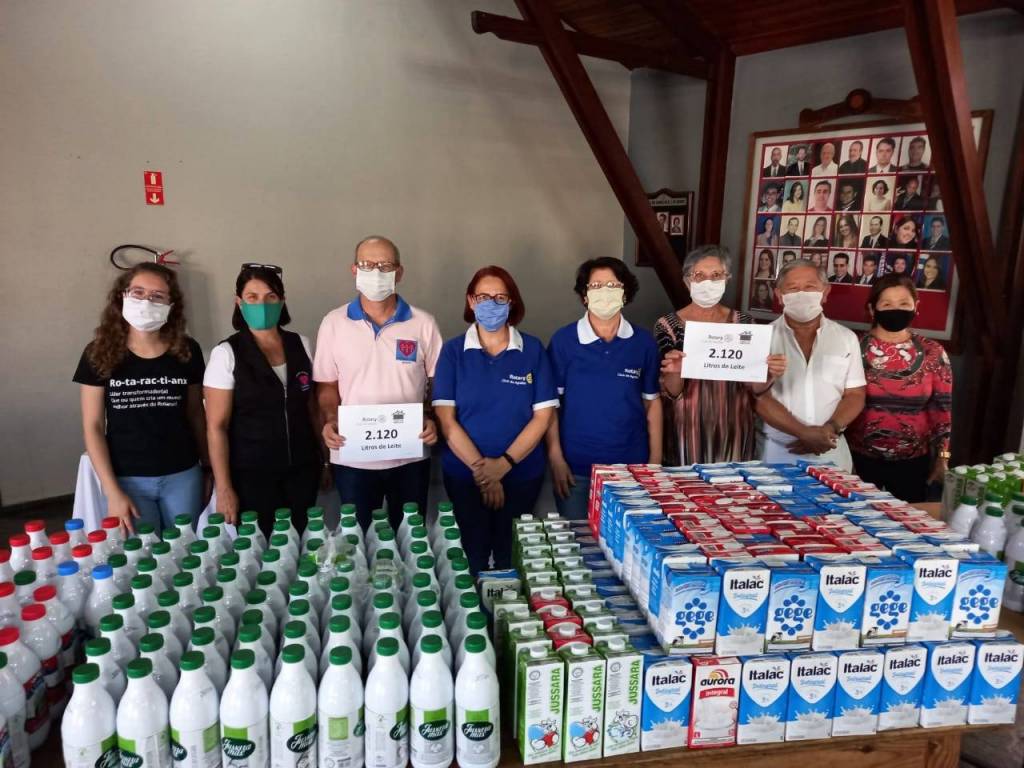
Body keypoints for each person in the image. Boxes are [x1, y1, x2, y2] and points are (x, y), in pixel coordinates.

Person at [433, 266, 557, 573]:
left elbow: (542, 417)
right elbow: (447, 421)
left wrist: (503, 465)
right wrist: (484, 472)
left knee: (511, 556)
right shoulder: (452, 352)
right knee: (470, 555)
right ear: (471, 301)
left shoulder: (532, 350)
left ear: (512, 302)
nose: (492, 304)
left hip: (522, 474)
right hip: (465, 475)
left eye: (501, 297)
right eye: (484, 297)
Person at [315, 236, 442, 530]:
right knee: (357, 540)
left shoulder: (423, 323)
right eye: (367, 264)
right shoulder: (333, 323)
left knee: (410, 538)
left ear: (399, 272)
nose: (375, 272)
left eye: (384, 265)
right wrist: (331, 419)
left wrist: (431, 418)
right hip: (353, 457)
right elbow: (326, 386)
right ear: (354, 270)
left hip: (410, 454)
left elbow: (438, 383)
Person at [74, 263, 209, 535]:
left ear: (171, 305)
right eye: (138, 292)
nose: (147, 301)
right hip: (127, 478)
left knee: (187, 551)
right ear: (122, 296)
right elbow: (93, 426)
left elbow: (196, 414)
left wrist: (208, 468)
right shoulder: (98, 353)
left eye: (158, 296)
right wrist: (112, 491)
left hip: (183, 473)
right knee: (143, 555)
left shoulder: (187, 350)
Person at [204, 264, 323, 536]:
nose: (262, 304)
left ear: (282, 301)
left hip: (303, 469)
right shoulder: (227, 353)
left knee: (304, 543)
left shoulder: (301, 344)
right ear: (239, 302)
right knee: (261, 549)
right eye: (253, 297)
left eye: (270, 297)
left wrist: (325, 461)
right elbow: (216, 427)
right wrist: (224, 488)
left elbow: (312, 407)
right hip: (251, 475)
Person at [546, 259, 662, 519]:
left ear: (625, 293)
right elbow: (550, 408)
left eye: (612, 285)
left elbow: (652, 402)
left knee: (630, 539)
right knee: (577, 540)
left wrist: (654, 464)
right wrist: (556, 459)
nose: (605, 292)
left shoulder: (643, 343)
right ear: (584, 295)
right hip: (576, 468)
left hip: (632, 467)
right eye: (596, 286)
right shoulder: (564, 341)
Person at [656, 245, 786, 464]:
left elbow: (756, 388)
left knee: (733, 485)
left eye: (716, 275)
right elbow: (672, 391)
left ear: (727, 279)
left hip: (734, 428)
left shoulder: (745, 323)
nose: (708, 282)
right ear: (687, 281)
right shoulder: (668, 325)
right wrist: (676, 371)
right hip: (686, 430)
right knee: (686, 484)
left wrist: (770, 372)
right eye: (699, 275)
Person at [847, 274, 952, 501]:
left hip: (913, 463)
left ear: (916, 306)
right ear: (872, 309)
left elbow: (942, 411)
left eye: (904, 303)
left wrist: (943, 458)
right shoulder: (851, 347)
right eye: (887, 304)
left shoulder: (933, 352)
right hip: (856, 461)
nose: (896, 310)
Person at [756, 259, 866, 471]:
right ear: (779, 294)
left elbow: (855, 394)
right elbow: (759, 398)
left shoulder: (846, 338)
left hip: (831, 448)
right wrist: (803, 433)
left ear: (825, 292)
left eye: (810, 287)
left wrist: (829, 429)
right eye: (793, 288)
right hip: (777, 451)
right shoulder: (763, 338)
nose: (802, 294)